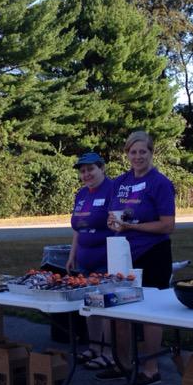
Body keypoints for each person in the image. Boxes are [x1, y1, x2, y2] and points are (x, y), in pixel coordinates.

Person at [101, 130, 176, 385]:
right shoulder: (119, 182)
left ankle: (151, 368)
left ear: (151, 153)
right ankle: (123, 363)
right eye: (133, 152)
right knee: (119, 309)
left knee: (150, 312)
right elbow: (114, 217)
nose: (138, 156)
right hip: (124, 253)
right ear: (127, 154)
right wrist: (114, 222)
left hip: (154, 254)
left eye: (143, 151)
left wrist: (133, 227)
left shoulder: (161, 183)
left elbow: (168, 225)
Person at [66, 151, 116, 369]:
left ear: (102, 168)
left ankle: (109, 352)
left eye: (90, 169)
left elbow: (119, 224)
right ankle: (94, 347)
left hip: (106, 258)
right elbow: (78, 228)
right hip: (85, 259)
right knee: (89, 304)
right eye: (82, 171)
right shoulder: (81, 195)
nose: (86, 174)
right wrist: (72, 254)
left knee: (106, 306)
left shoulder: (113, 189)